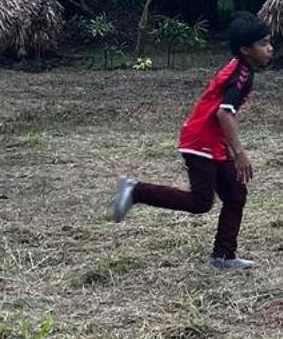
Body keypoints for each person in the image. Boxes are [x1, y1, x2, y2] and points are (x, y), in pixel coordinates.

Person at [110, 13, 274, 271]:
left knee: (235, 195)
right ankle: (134, 190)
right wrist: (240, 153)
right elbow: (224, 113)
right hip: (201, 141)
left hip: (212, 142)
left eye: (269, 43)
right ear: (245, 49)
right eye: (263, 44)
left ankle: (223, 256)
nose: (270, 49)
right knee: (200, 202)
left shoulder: (241, 68)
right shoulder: (242, 75)